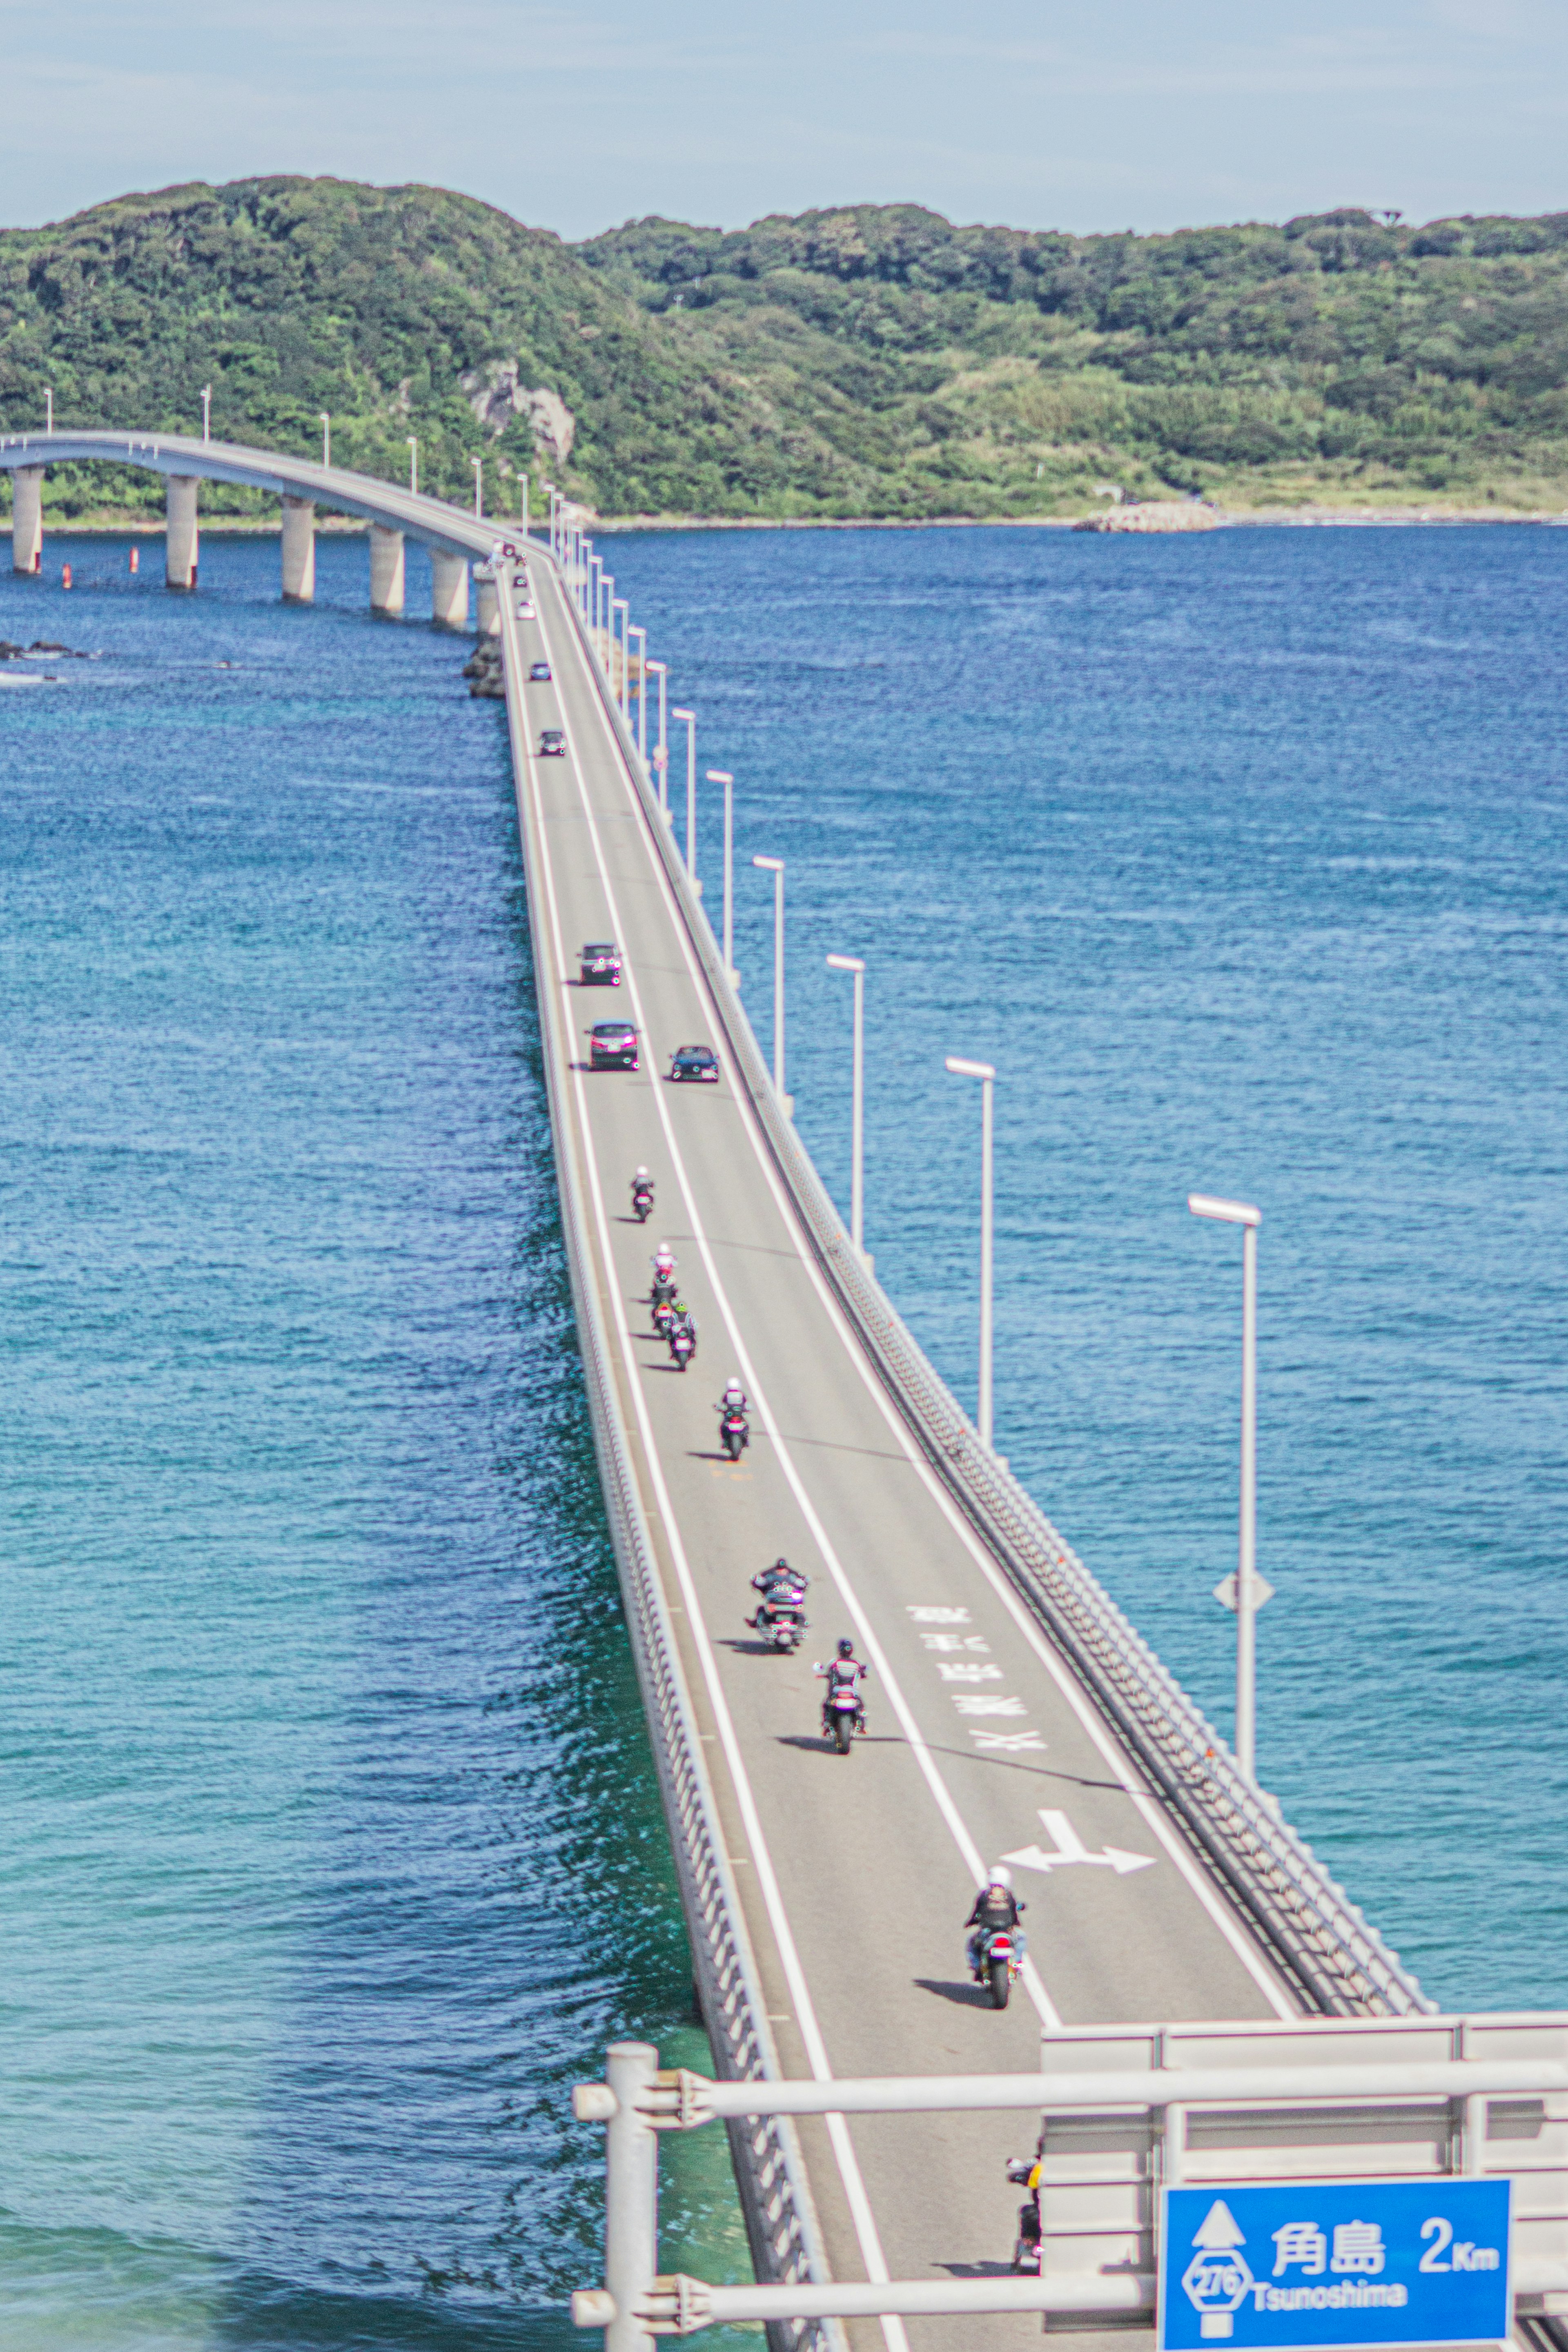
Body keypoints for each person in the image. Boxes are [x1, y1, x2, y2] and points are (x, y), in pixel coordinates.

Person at [965, 1866, 1027, 1976]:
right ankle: (1017, 1963)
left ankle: (976, 1965)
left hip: (988, 1931)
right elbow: (1014, 1913)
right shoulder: (1009, 1895)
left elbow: (976, 1912)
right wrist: (1017, 1923)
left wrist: (971, 1922)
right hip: (1006, 1931)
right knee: (1022, 1937)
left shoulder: (984, 1894)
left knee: (971, 1941)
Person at [815, 1636, 869, 1735]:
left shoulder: (835, 1663)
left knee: (826, 1705)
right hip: (852, 1692)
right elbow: (863, 1672)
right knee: (861, 1707)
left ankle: (826, 1724)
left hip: (837, 1692)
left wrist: (824, 1675)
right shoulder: (857, 1663)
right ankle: (862, 1726)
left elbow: (827, 1671)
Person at [750, 1556, 806, 1631]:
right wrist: (756, 1581)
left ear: (787, 1570)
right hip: (775, 1604)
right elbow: (760, 1583)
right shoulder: (771, 1578)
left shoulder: (792, 1578)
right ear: (776, 1570)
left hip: (791, 1605)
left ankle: (802, 1624)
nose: (781, 1572)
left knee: (799, 1612)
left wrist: (804, 1581)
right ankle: (761, 1624)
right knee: (762, 1610)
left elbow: (802, 1584)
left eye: (783, 1570)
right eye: (779, 1570)